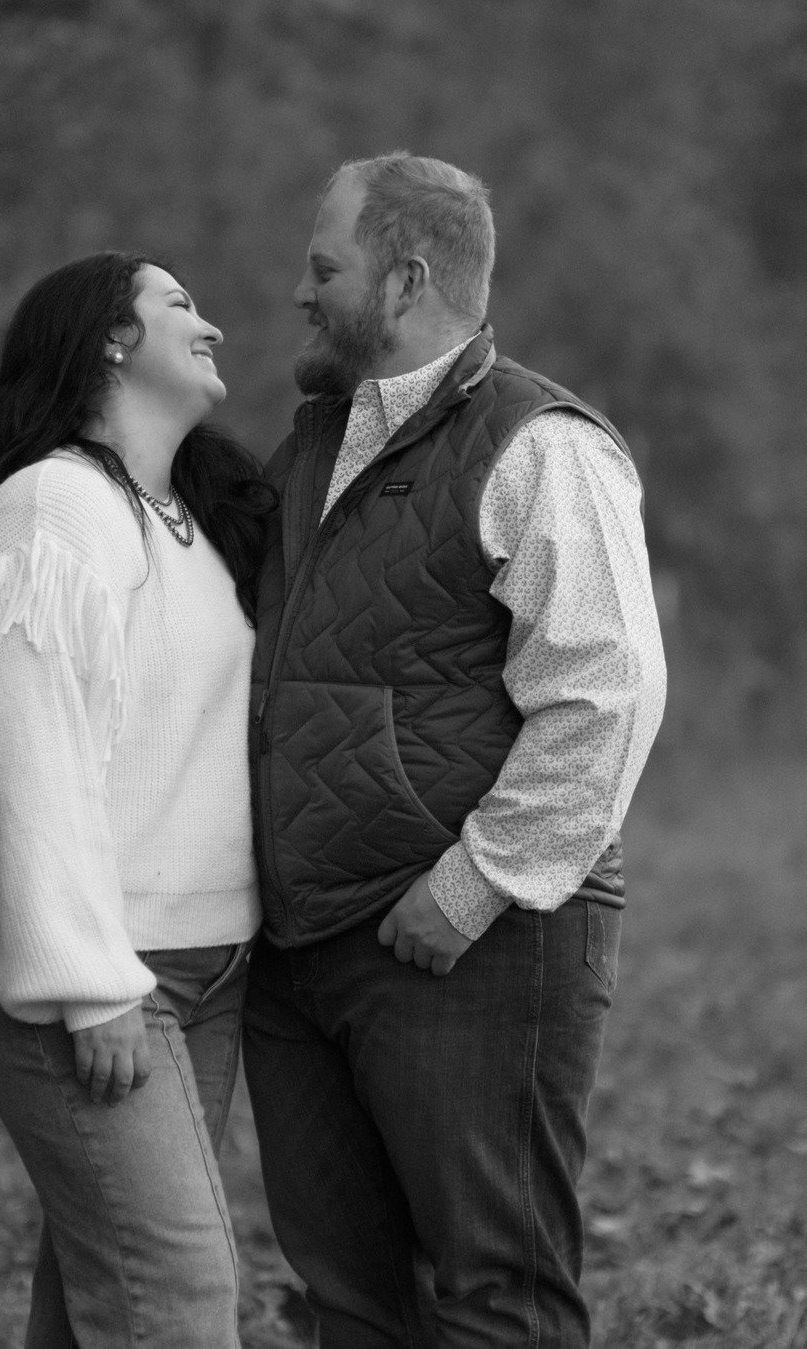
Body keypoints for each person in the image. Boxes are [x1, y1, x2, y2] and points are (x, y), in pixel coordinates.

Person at [243, 153, 668, 1347]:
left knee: (498, 1301)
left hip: (469, 946)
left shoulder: (541, 448)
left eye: (324, 268)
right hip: (313, 948)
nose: (298, 293)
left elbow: (605, 688)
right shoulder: (316, 447)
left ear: (406, 278)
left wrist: (470, 888)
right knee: (355, 1309)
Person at [0, 252, 271, 1348]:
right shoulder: (55, 505)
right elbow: (29, 755)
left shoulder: (184, 516)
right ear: (112, 340)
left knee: (96, 1303)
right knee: (177, 1305)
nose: (209, 326)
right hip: (102, 983)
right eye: (178, 306)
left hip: (205, 974)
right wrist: (90, 987)